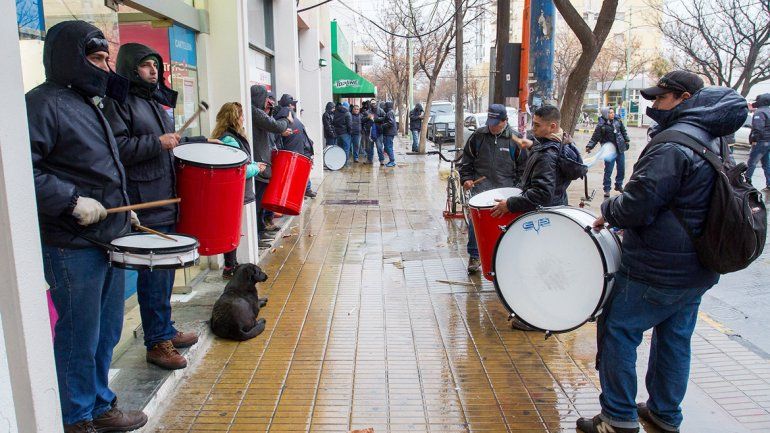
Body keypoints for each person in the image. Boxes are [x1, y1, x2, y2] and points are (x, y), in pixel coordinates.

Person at [577, 71, 748, 433]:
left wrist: (608, 211)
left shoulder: (673, 144)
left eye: (661, 98)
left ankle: (618, 418)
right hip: (698, 267)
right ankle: (665, 413)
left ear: (684, 98)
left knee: (619, 331)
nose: (654, 106)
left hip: (656, 267)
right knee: (674, 338)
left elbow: (639, 204)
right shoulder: (715, 139)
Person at [26, 20, 147, 432]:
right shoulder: (42, 104)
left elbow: (104, 169)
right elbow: (24, 170)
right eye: (96, 59)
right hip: (71, 244)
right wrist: (72, 201)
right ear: (70, 59)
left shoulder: (89, 103)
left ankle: (100, 405)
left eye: (106, 59)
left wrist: (122, 207)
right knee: (79, 337)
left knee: (105, 333)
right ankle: (76, 418)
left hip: (108, 237)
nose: (104, 68)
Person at [101, 43, 202, 371]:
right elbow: (115, 148)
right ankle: (157, 342)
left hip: (164, 193)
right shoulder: (119, 102)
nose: (153, 71)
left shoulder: (153, 101)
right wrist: (156, 143)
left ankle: (165, 328)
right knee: (154, 273)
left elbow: (169, 142)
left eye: (155, 65)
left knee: (165, 272)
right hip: (145, 199)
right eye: (146, 65)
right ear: (131, 67)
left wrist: (196, 143)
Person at [460, 104, 528, 273]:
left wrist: (518, 190)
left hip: (506, 191)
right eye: (490, 122)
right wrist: (467, 179)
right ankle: (475, 256)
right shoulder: (478, 136)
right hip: (481, 189)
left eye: (496, 123)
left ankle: (506, 256)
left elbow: (523, 169)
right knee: (476, 223)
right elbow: (466, 162)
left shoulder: (516, 139)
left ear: (505, 121)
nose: (492, 126)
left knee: (506, 224)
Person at [490, 104, 578, 219]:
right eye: (533, 123)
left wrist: (509, 204)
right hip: (556, 209)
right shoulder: (562, 142)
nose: (533, 128)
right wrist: (532, 145)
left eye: (537, 125)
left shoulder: (547, 155)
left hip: (544, 216)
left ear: (552, 126)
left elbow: (542, 195)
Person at [213, 102, 267, 277]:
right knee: (231, 228)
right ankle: (230, 266)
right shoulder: (230, 139)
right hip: (233, 192)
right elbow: (237, 169)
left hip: (231, 191)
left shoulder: (226, 136)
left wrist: (253, 165)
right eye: (242, 116)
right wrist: (256, 168)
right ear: (235, 118)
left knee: (232, 227)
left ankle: (232, 264)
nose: (244, 119)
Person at [250, 85, 292, 248]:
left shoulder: (256, 112)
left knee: (260, 202)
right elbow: (276, 126)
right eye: (266, 98)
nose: (268, 102)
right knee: (258, 203)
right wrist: (284, 119)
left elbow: (271, 128)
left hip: (261, 163)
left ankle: (260, 231)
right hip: (259, 165)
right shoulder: (255, 112)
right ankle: (257, 236)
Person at [276, 93, 316, 198]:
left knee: (299, 174)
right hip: (294, 152)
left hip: (295, 151)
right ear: (289, 106)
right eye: (292, 104)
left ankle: (303, 191)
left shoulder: (287, 117)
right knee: (298, 175)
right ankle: (300, 193)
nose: (294, 106)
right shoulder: (287, 117)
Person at [586, 107, 630, 198]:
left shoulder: (618, 121)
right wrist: (589, 146)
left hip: (620, 149)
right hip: (609, 151)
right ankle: (607, 189)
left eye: (613, 112)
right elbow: (595, 137)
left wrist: (626, 140)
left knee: (621, 169)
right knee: (608, 171)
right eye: (610, 113)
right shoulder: (601, 125)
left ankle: (618, 185)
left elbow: (623, 131)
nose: (612, 114)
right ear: (605, 114)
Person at [747, 93, 770, 190]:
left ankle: (746, 182)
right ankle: (769, 183)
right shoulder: (768, 111)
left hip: (761, 141)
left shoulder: (760, 113)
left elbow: (757, 129)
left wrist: (754, 140)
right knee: (766, 164)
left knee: (752, 162)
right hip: (768, 141)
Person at [366, 99, 387, 165]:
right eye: (372, 103)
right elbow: (363, 119)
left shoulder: (380, 110)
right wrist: (368, 117)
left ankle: (381, 160)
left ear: (376, 103)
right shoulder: (367, 111)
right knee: (369, 148)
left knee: (379, 147)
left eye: (374, 103)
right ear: (370, 104)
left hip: (379, 132)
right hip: (370, 132)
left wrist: (377, 119)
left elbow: (385, 117)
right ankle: (369, 160)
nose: (373, 104)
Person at [378, 101, 398, 167]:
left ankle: (392, 161)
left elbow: (391, 123)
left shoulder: (389, 113)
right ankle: (391, 161)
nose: (384, 107)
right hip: (390, 132)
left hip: (389, 132)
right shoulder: (390, 112)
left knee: (388, 147)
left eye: (385, 106)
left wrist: (383, 125)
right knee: (389, 146)